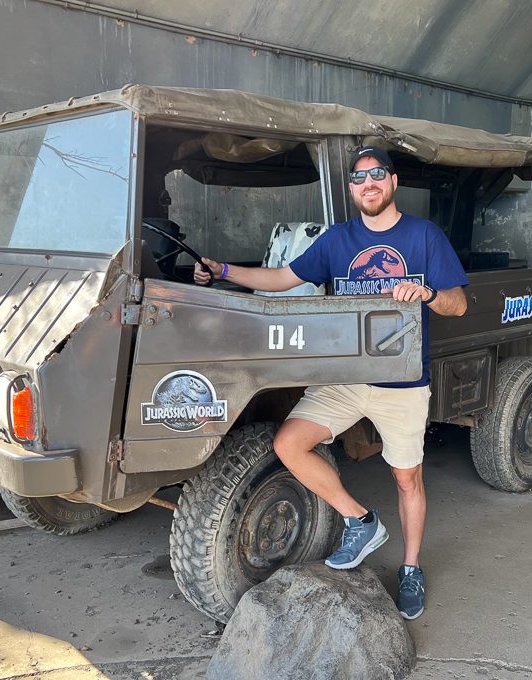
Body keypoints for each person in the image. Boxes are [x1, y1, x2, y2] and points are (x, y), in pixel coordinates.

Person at [194, 146, 468, 620]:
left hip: (402, 381)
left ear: (393, 182)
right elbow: (284, 277)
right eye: (360, 178)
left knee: (407, 479)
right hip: (344, 378)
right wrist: (222, 271)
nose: (369, 184)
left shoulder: (424, 236)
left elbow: (458, 305)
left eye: (377, 175)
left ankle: (410, 568)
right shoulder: (337, 240)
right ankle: (361, 520)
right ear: (351, 189)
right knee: (289, 443)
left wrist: (426, 293)